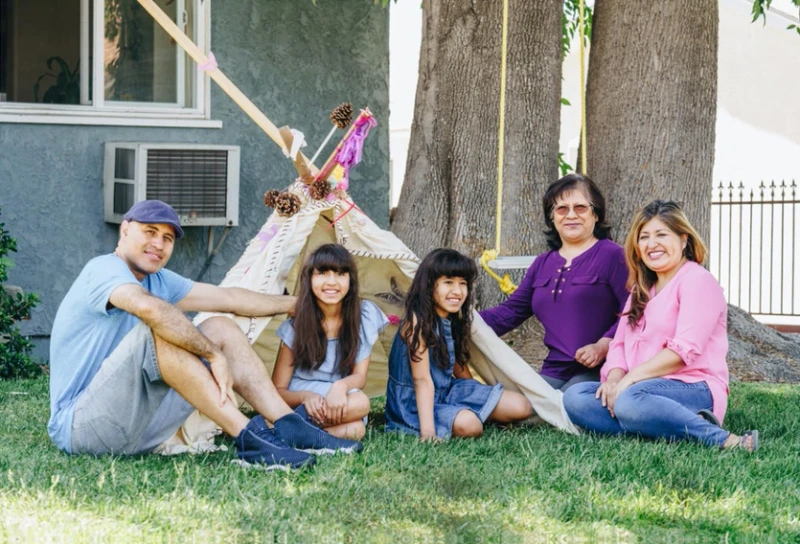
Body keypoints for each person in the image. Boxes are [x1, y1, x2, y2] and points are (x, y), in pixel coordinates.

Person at [48, 200, 362, 472]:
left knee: (221, 327)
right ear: (125, 229)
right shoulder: (103, 269)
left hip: (142, 430)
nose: (159, 243)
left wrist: (297, 305)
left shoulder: (159, 280)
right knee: (156, 329)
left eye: (168, 238)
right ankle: (251, 443)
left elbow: (230, 299)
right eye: (150, 232)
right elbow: (150, 310)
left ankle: (290, 426)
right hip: (82, 428)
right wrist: (212, 355)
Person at [562, 200, 758, 451]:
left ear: (683, 239)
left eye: (661, 235)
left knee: (630, 401)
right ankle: (664, 426)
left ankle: (722, 439)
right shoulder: (640, 289)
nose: (651, 244)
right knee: (576, 397)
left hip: (692, 387)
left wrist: (629, 381)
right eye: (644, 237)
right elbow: (619, 344)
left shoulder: (698, 281)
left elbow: (682, 351)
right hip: (637, 388)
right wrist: (613, 379)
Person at [479, 174, 629, 390]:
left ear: (596, 214)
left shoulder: (613, 256)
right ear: (552, 217)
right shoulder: (543, 263)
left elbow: (634, 312)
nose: (571, 215)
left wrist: (603, 345)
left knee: (570, 401)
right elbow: (510, 312)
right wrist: (462, 321)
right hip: (554, 369)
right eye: (561, 209)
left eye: (580, 207)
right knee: (518, 405)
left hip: (602, 367)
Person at [385, 248, 533, 440]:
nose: (457, 291)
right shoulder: (417, 323)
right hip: (414, 402)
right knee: (470, 425)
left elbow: (456, 364)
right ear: (429, 285)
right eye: (448, 283)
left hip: (447, 390)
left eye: (463, 284)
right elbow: (422, 381)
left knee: (521, 406)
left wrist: (478, 396)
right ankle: (452, 418)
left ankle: (460, 413)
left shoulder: (452, 317)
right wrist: (428, 433)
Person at [272, 244, 388, 440]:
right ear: (309, 278)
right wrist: (306, 397)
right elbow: (277, 390)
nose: (332, 282)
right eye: (323, 273)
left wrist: (340, 387)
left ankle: (289, 433)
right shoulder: (296, 326)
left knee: (356, 428)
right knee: (359, 406)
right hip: (300, 397)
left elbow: (359, 376)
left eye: (341, 274)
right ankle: (293, 428)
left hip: (339, 394)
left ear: (350, 280)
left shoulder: (364, 316)